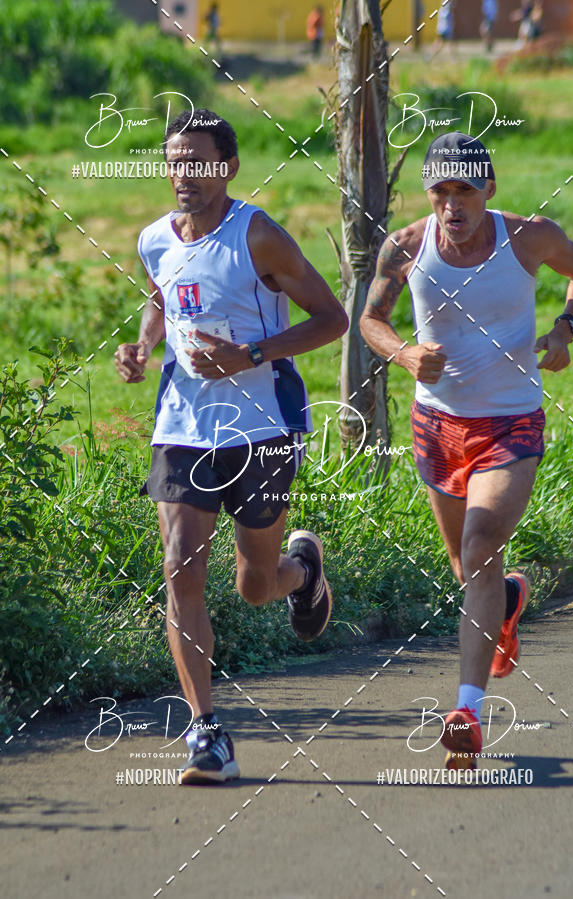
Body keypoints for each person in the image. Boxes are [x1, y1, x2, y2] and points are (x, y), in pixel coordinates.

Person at [114, 109, 348, 783]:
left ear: (230, 167)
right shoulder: (153, 237)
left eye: (200, 162)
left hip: (260, 428)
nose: (185, 174)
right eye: (175, 162)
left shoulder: (258, 236)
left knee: (252, 585)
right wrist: (143, 346)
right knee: (180, 566)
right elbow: (164, 293)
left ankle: (302, 572)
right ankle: (206, 733)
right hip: (182, 427)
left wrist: (248, 352)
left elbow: (330, 319)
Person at [360, 131, 573, 770]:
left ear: (488, 189)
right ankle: (509, 601)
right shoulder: (406, 248)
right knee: (471, 572)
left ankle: (466, 710)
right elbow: (370, 320)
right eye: (440, 191)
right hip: (437, 426)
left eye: (464, 189)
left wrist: (565, 328)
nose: (452, 204)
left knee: (480, 542)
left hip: (510, 422)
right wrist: (404, 353)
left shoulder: (529, 237)